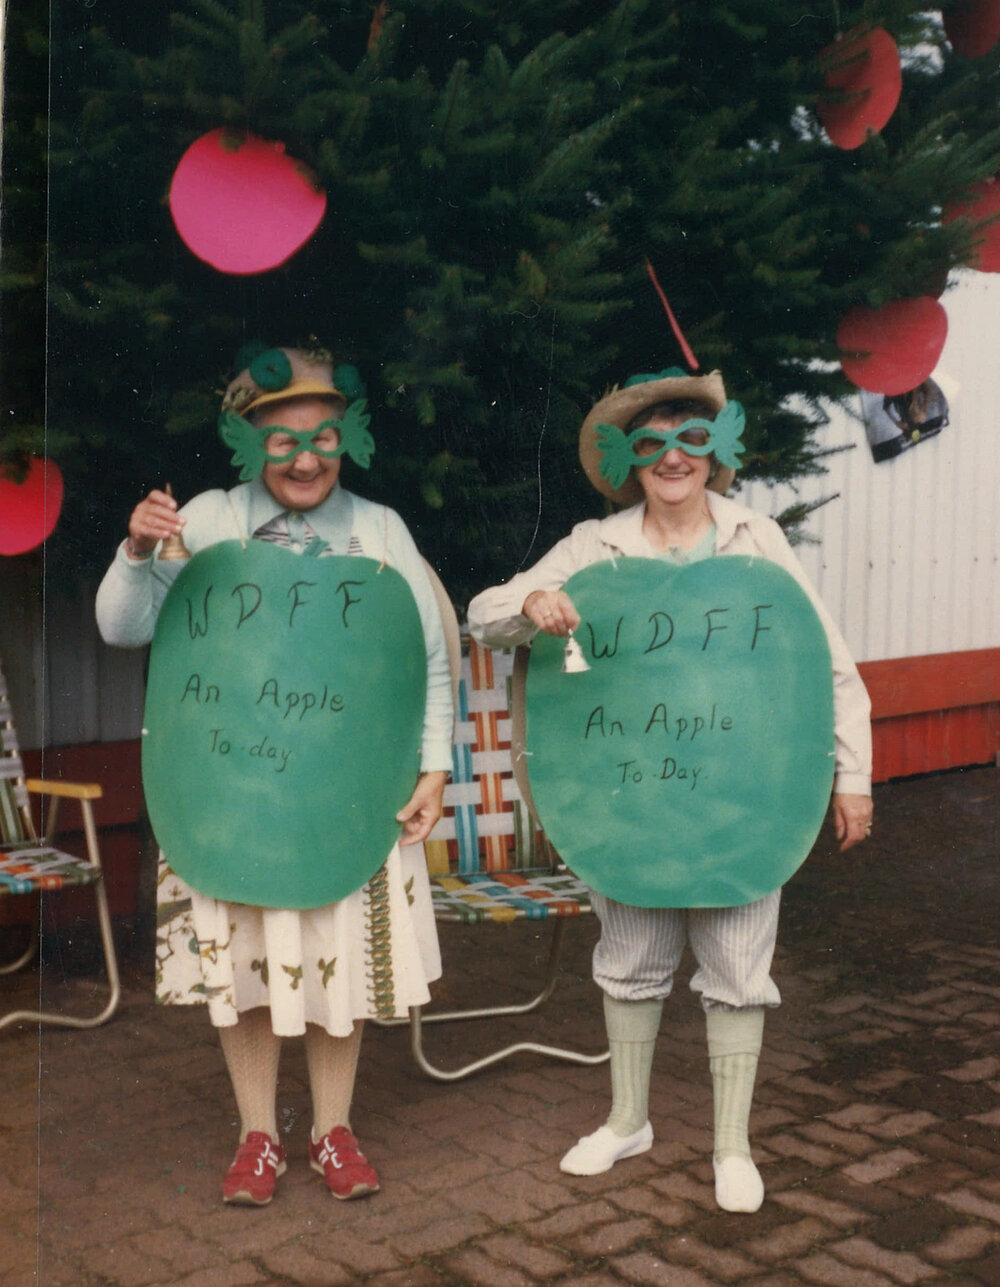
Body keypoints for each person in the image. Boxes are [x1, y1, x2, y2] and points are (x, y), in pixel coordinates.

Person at [466, 367, 872, 1213]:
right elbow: (484, 614)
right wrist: (535, 599)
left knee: (735, 961)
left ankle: (731, 1141)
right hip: (633, 793)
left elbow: (825, 658)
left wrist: (853, 773)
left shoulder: (755, 539)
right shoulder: (595, 546)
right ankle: (628, 1118)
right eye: (652, 441)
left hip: (741, 793)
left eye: (692, 437)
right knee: (631, 957)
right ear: (628, 459)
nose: (674, 456)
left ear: (715, 452)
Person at [96, 345, 453, 1205]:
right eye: (283, 437)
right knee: (249, 965)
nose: (304, 457)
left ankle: (333, 1131)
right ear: (248, 439)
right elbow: (123, 628)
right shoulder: (210, 520)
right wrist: (139, 551)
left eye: (324, 436)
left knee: (341, 972)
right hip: (233, 792)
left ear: (350, 438)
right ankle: (258, 1135)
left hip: (350, 789)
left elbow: (428, 661)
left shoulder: (380, 529)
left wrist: (434, 767)